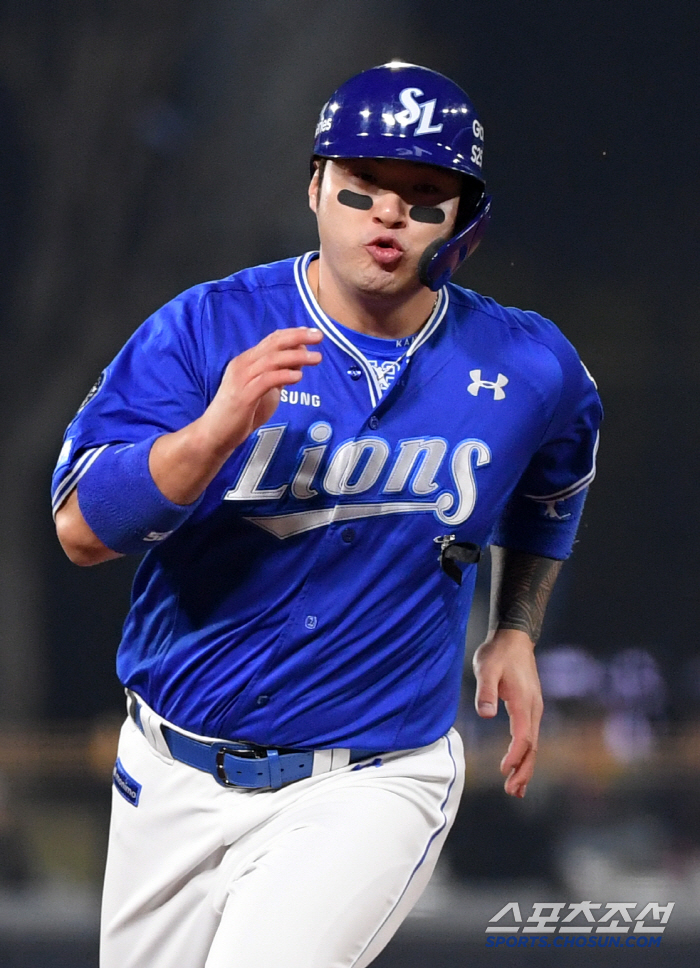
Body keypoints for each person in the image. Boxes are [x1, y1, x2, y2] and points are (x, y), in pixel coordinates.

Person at [52, 61, 602, 968]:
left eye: (423, 197)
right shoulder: (205, 330)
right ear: (315, 187)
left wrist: (515, 625)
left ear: (464, 221)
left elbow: (557, 481)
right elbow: (81, 531)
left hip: (372, 781)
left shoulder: (527, 365)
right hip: (169, 770)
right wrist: (213, 432)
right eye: (363, 186)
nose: (388, 214)